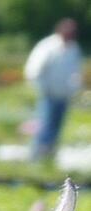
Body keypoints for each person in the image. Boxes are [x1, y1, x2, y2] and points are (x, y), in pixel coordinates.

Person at [24, 18, 83, 160]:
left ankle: (48, 159)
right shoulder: (48, 46)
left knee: (56, 129)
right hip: (48, 96)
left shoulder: (74, 49)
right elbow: (34, 70)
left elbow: (75, 73)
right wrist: (43, 88)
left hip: (64, 96)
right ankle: (36, 159)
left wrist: (74, 90)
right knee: (44, 128)